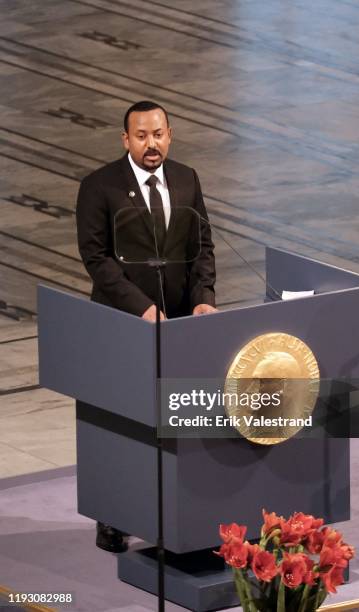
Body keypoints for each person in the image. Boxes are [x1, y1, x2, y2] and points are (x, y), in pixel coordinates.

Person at [76, 100, 217, 552]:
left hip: (179, 326)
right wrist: (140, 307)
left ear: (169, 135)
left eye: (158, 134)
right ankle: (113, 518)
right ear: (126, 140)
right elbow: (97, 259)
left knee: (176, 420)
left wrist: (203, 301)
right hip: (123, 326)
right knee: (125, 423)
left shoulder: (187, 178)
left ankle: (174, 512)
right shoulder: (99, 187)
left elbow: (202, 247)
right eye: (141, 136)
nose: (150, 144)